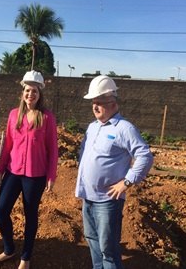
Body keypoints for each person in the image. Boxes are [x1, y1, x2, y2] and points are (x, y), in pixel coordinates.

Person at [75, 75, 154, 269]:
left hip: (107, 201)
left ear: (112, 102)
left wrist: (126, 182)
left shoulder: (124, 129)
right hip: (88, 196)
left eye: (99, 103)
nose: (95, 107)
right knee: (92, 240)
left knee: (108, 249)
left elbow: (145, 155)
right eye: (93, 103)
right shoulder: (92, 127)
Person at [0, 70, 58, 269]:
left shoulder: (46, 118)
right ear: (23, 93)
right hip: (13, 171)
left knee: (30, 215)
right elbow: (7, 145)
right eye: (28, 90)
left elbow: (53, 149)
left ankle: (25, 257)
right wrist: (0, 170)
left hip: (35, 175)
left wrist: (51, 175)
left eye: (34, 91)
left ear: (40, 94)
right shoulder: (13, 115)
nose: (31, 94)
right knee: (1, 209)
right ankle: (9, 249)